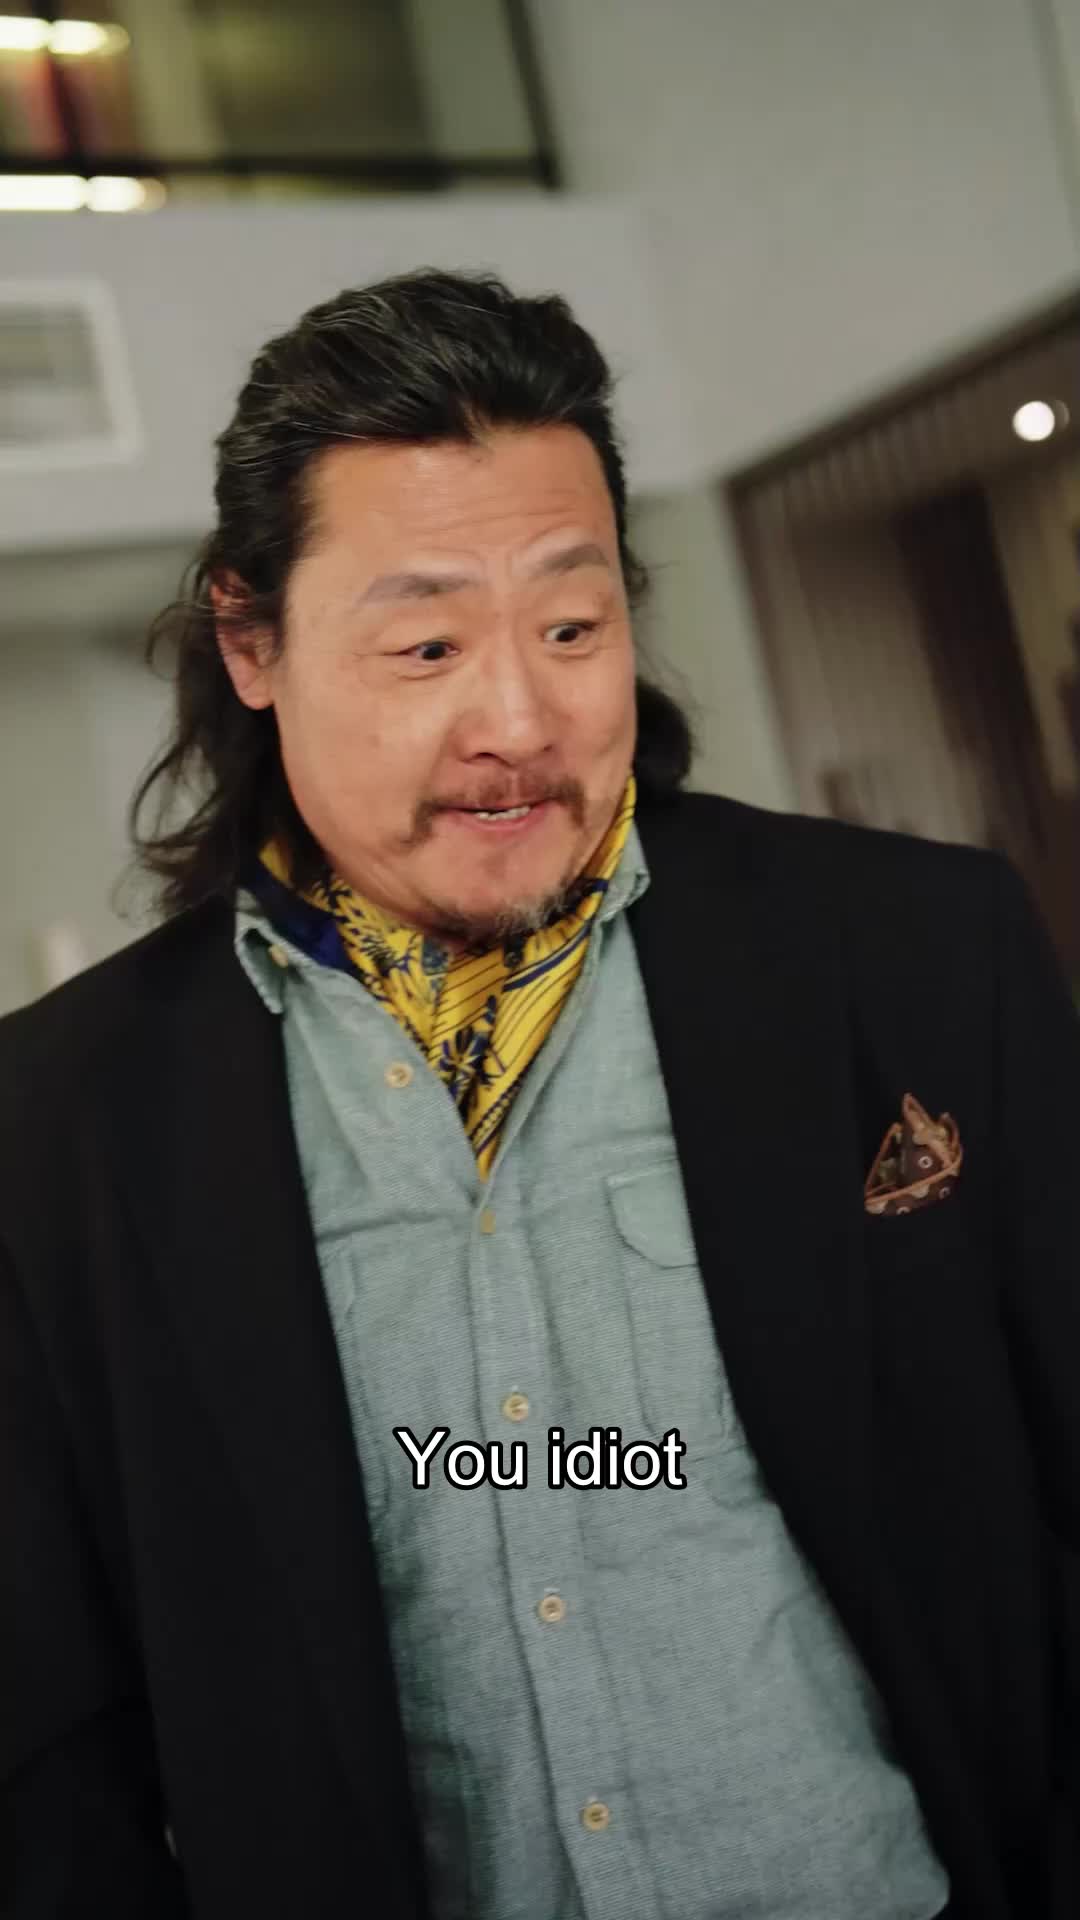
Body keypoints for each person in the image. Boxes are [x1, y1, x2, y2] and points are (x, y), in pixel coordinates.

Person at [0, 269, 1077, 1920]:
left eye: (572, 629)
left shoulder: (919, 953)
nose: (518, 717)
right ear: (252, 642)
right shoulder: (63, 1122)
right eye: (426, 644)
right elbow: (52, 1740)